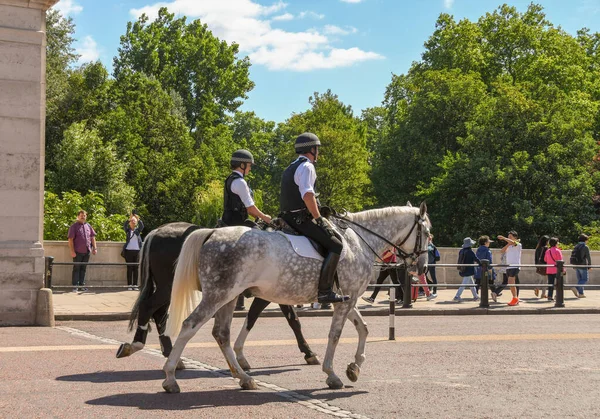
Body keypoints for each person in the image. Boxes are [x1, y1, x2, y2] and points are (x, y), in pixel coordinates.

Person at [280, 132, 349, 304]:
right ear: (312, 149)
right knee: (336, 245)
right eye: (317, 149)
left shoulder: (291, 167)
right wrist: (318, 219)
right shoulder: (308, 167)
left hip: (286, 218)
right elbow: (308, 195)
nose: (318, 152)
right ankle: (325, 291)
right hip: (301, 220)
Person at [222, 149, 272, 310]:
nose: (250, 168)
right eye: (249, 165)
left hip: (229, 221)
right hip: (238, 224)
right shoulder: (240, 182)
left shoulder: (230, 179)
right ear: (242, 165)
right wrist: (265, 217)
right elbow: (250, 208)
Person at [67, 210, 97, 292]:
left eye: (84, 215)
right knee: (77, 268)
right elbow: (70, 239)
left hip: (87, 251)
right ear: (78, 216)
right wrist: (72, 251)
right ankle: (75, 286)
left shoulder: (88, 226)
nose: (83, 217)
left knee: (83, 268)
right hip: (77, 251)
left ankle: (81, 285)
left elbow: (92, 237)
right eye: (81, 215)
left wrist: (95, 248)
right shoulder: (74, 226)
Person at [497, 231, 522, 306]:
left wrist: (504, 238)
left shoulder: (518, 244)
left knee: (511, 281)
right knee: (512, 283)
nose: (508, 238)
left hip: (515, 266)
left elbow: (514, 243)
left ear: (515, 237)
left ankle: (515, 298)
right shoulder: (509, 246)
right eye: (508, 237)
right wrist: (508, 243)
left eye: (510, 237)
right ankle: (515, 298)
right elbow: (502, 251)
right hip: (508, 266)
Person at [453, 237, 480, 302]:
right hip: (469, 270)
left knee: (471, 283)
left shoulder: (461, 251)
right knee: (464, 284)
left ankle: (475, 296)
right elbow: (476, 259)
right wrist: (482, 264)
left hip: (463, 269)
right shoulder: (470, 252)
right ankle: (457, 296)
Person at [123, 213, 144, 290]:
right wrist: (129, 219)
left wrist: (138, 219)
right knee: (129, 268)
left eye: (134, 222)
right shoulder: (128, 231)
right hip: (128, 251)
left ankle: (135, 285)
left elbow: (142, 226)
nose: (133, 222)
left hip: (137, 251)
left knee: (136, 268)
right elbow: (124, 226)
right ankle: (129, 285)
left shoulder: (137, 231)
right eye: (132, 222)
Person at [474, 235, 498, 301]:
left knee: (478, 281)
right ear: (485, 243)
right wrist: (490, 268)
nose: (489, 243)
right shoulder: (487, 250)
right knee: (491, 281)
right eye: (488, 242)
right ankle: (494, 292)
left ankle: (475, 294)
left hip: (479, 268)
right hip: (487, 269)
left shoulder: (478, 250)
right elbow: (489, 260)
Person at [572, 234, 592, 298]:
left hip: (576, 265)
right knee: (585, 279)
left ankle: (581, 294)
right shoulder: (585, 247)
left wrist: (574, 265)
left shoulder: (576, 246)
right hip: (583, 265)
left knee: (580, 280)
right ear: (585, 240)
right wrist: (589, 266)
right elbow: (588, 257)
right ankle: (576, 288)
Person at [544, 237, 563, 301]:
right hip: (556, 270)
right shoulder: (558, 251)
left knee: (550, 284)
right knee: (559, 284)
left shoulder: (547, 251)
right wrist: (563, 270)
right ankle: (558, 296)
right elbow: (560, 261)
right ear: (556, 243)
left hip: (549, 269)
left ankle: (549, 296)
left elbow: (545, 259)